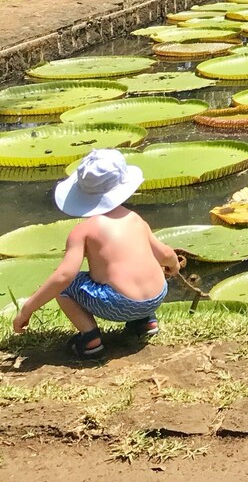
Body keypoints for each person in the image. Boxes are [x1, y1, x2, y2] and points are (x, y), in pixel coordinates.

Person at [12, 149, 180, 361]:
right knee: (140, 268)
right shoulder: (135, 218)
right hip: (156, 297)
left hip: (119, 304)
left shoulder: (83, 231)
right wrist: (174, 267)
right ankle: (145, 322)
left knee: (65, 286)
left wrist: (27, 309)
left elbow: (64, 276)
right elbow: (165, 254)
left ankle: (90, 337)